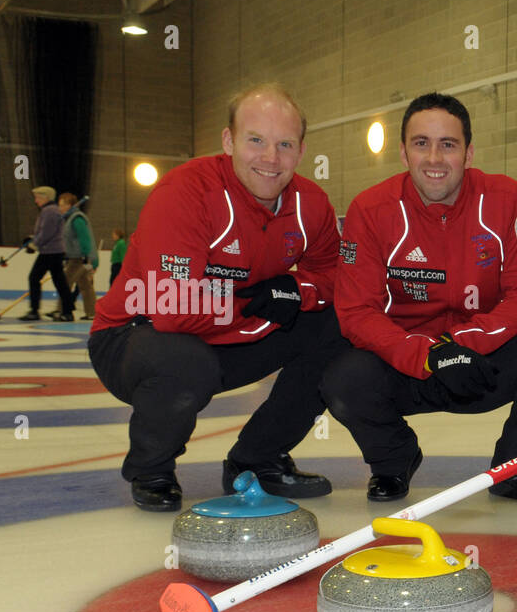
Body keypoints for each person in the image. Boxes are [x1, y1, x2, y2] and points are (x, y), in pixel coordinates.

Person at [88, 83, 345, 511]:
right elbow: (171, 306)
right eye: (256, 141)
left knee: (337, 327)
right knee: (185, 360)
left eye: (285, 144)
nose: (270, 158)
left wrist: (299, 290)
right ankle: (152, 467)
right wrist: (263, 304)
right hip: (137, 336)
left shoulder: (311, 205)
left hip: (227, 335)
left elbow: (337, 275)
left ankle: (258, 459)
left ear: (301, 151)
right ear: (228, 141)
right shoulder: (185, 192)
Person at [324, 92, 517, 504]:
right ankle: (394, 460)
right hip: (408, 367)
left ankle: (516, 468)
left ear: (469, 152)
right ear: (404, 152)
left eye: (448, 144)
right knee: (341, 375)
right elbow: (357, 312)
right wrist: (428, 355)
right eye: (421, 143)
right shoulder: (370, 210)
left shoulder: (506, 198)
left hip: (481, 364)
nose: (434, 158)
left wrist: (459, 346)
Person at [20, 186, 71, 322]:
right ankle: (67, 311)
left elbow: (46, 233)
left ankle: (35, 310)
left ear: (45, 197)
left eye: (37, 197)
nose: (36, 201)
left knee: (34, 278)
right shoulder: (51, 210)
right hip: (53, 250)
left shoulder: (49, 211)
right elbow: (45, 231)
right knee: (59, 281)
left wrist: (34, 244)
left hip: (50, 251)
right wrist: (34, 238)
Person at [51, 193, 98, 321]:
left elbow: (85, 239)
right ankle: (92, 312)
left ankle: (62, 310)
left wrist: (86, 257)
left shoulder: (77, 219)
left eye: (62, 205)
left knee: (65, 283)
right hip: (74, 257)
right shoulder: (69, 218)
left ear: (69, 205)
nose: (60, 208)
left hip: (79, 258)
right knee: (85, 285)